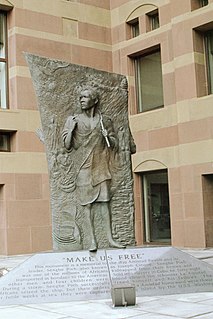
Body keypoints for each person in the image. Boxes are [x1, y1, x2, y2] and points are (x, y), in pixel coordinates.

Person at [62, 87, 125, 251]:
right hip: (83, 167)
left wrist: (108, 136)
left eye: (85, 97)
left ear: (95, 100)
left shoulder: (105, 120)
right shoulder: (73, 120)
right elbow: (67, 146)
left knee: (104, 203)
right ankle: (91, 241)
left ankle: (110, 239)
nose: (81, 100)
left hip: (101, 167)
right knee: (87, 205)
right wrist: (71, 130)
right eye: (80, 97)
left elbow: (114, 145)